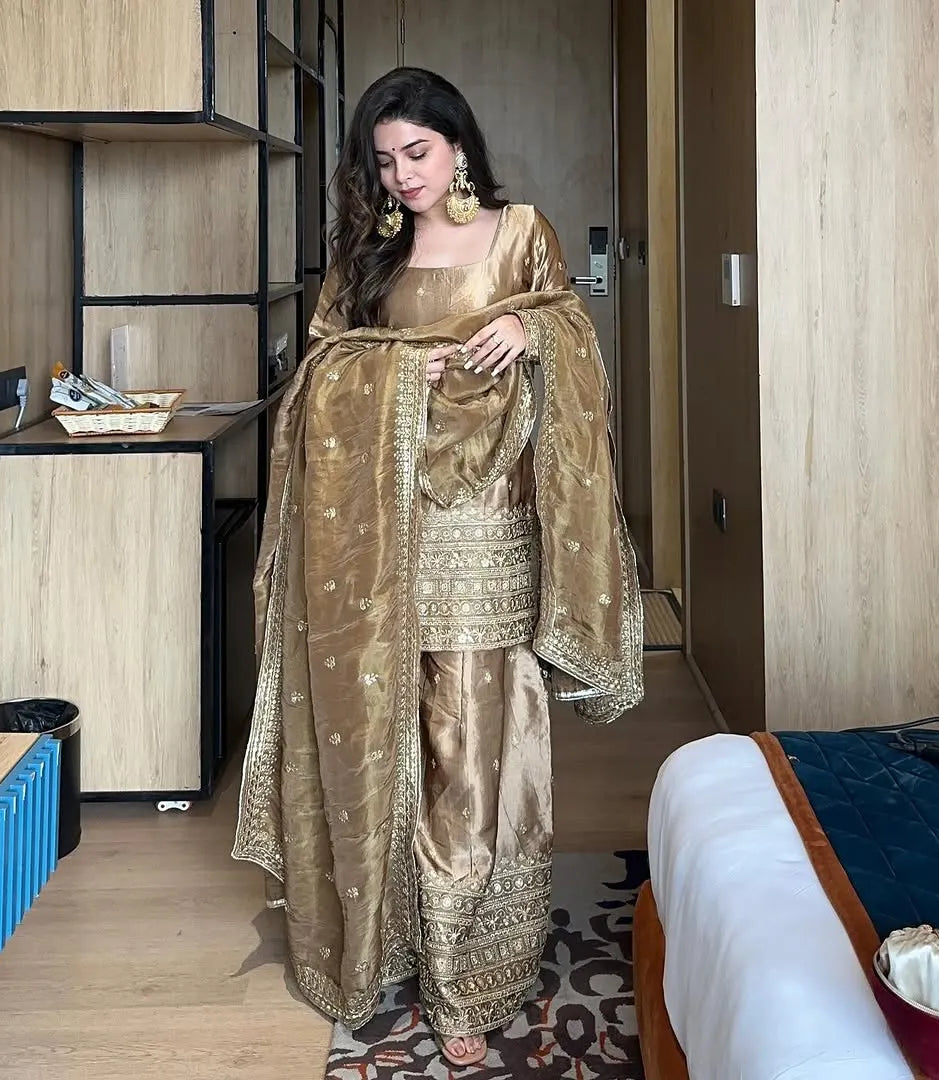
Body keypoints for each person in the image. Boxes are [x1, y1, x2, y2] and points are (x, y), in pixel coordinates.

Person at [232, 66, 643, 1068]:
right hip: (370, 531)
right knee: (375, 730)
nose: (404, 177)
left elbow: (573, 335)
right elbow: (317, 375)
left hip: (480, 522)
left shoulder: (521, 232)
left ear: (459, 145)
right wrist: (389, 375)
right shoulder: (367, 254)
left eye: (418, 153)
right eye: (384, 161)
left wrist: (526, 326)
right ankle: (379, 944)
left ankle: (466, 983)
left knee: (468, 743)